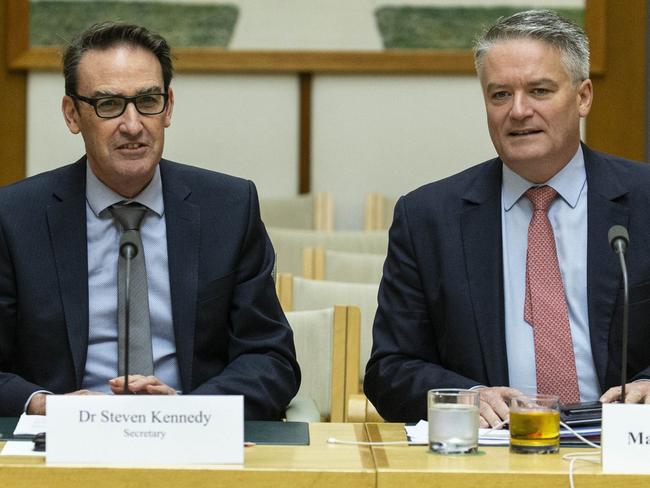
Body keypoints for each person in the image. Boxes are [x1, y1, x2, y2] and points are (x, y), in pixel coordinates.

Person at [364, 9, 650, 426]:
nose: (517, 111)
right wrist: (465, 398)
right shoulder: (428, 217)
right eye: (500, 95)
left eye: (539, 90)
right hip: (491, 452)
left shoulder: (643, 201)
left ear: (583, 96)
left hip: (627, 450)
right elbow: (390, 368)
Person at [0, 22, 300, 419]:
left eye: (147, 100)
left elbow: (270, 358)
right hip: (62, 443)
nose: (132, 125)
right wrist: (45, 405)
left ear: (169, 106)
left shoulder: (228, 208)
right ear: (72, 114)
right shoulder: (16, 217)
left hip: (192, 438)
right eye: (108, 105)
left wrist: (187, 409)